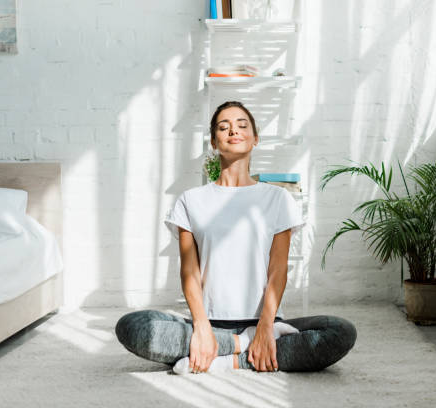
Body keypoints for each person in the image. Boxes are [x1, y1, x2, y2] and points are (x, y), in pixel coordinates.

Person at [115, 101, 357, 374]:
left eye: (242, 125)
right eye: (223, 126)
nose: (233, 130)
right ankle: (243, 345)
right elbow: (189, 272)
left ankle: (227, 357)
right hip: (210, 322)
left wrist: (265, 326)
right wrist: (202, 327)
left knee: (340, 332)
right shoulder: (191, 201)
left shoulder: (278, 198)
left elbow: (278, 271)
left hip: (265, 321)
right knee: (132, 326)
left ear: (255, 139)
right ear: (214, 142)